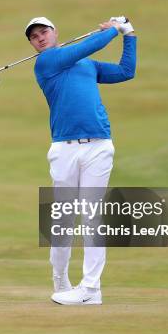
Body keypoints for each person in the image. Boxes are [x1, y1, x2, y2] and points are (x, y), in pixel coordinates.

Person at [26, 16, 137, 305]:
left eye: (44, 31)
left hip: (98, 145)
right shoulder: (46, 63)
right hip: (64, 149)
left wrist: (129, 35)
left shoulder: (86, 66)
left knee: (92, 217)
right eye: (34, 36)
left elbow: (126, 71)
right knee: (62, 219)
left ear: (55, 31)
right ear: (32, 44)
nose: (39, 37)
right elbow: (83, 49)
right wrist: (114, 28)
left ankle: (91, 290)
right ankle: (60, 279)